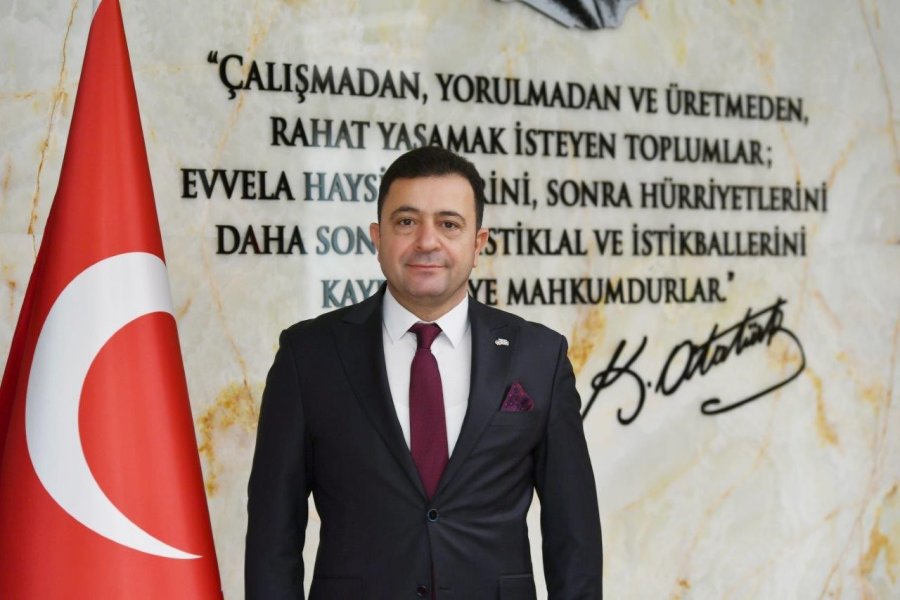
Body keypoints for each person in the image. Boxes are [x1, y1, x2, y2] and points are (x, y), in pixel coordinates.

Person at [245, 146, 602, 599]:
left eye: (449, 224)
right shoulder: (308, 355)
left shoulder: (539, 356)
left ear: (478, 243)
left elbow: (575, 536)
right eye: (406, 222)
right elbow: (273, 537)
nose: (427, 241)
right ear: (377, 237)